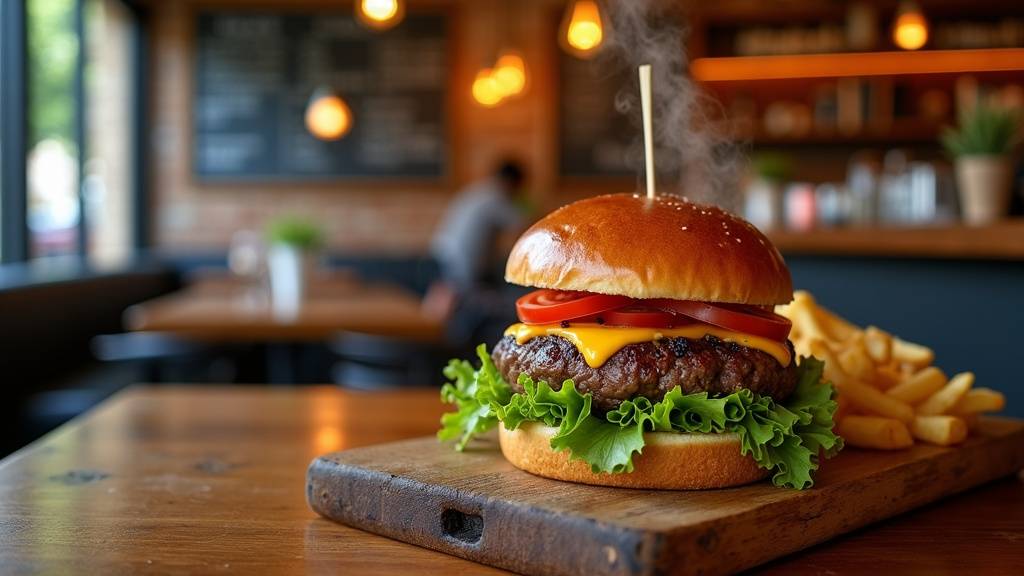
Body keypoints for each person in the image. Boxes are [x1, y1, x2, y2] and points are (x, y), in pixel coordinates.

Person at [430, 160, 528, 291]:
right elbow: (523, 228)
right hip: (462, 261)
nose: (518, 193)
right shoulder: (496, 197)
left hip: (442, 252)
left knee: (448, 294)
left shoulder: (478, 190)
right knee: (457, 297)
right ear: (511, 182)